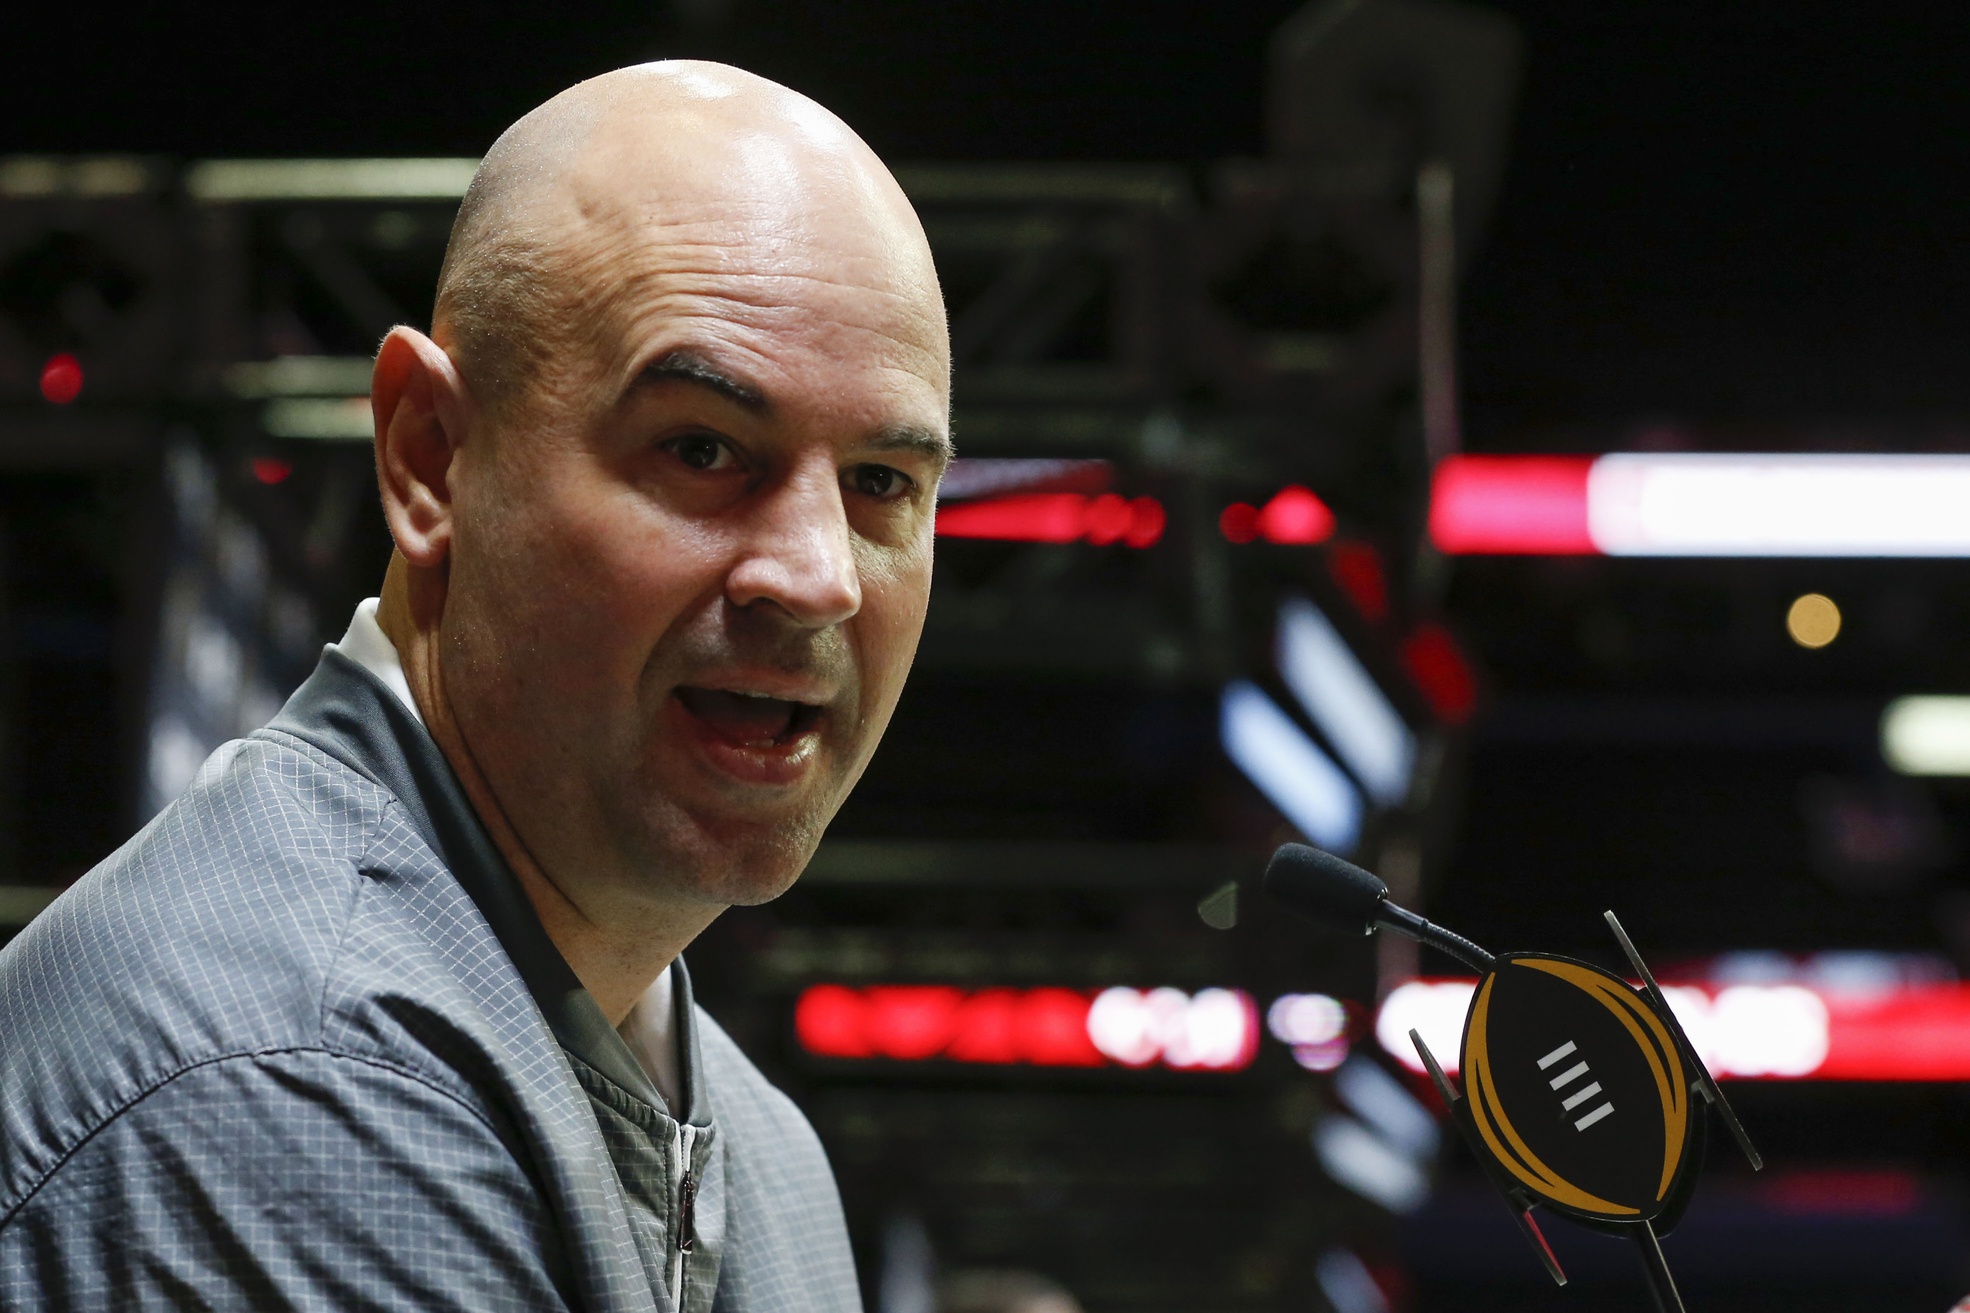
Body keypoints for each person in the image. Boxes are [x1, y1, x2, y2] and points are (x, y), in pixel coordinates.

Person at [0, 61, 950, 1311]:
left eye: (883, 481)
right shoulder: (295, 1083)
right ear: (429, 457)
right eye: (703, 449)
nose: (817, 577)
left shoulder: (761, 1151)